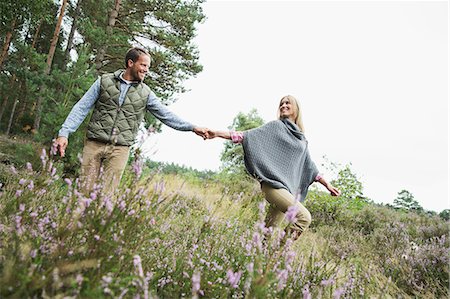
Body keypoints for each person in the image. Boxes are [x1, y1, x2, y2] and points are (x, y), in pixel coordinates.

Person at [54, 47, 208, 195]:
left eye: (148, 66)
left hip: (120, 149)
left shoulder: (145, 93)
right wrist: (64, 133)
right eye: (143, 65)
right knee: (84, 192)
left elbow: (166, 115)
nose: (146, 70)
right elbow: (81, 107)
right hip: (94, 144)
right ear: (130, 63)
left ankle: (99, 222)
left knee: (106, 196)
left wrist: (192, 128)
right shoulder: (104, 81)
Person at [207, 95, 340, 241]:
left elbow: (310, 167)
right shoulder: (275, 127)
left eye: (287, 103)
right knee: (303, 218)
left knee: (266, 235)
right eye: (281, 104)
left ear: (296, 108)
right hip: (273, 187)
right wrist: (217, 133)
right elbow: (247, 136)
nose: (283, 106)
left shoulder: (301, 139)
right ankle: (277, 255)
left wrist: (328, 185)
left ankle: (259, 259)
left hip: (286, 190)